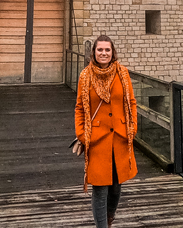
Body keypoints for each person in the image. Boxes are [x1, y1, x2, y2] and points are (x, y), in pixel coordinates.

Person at [75, 35, 138, 228]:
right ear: (93, 52)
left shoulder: (123, 73)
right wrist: (82, 135)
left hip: (120, 138)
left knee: (116, 188)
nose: (104, 53)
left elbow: (132, 103)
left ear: (113, 52)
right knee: (100, 189)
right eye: (100, 50)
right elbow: (79, 108)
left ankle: (109, 220)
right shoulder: (86, 76)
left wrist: (132, 128)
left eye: (107, 50)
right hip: (97, 139)